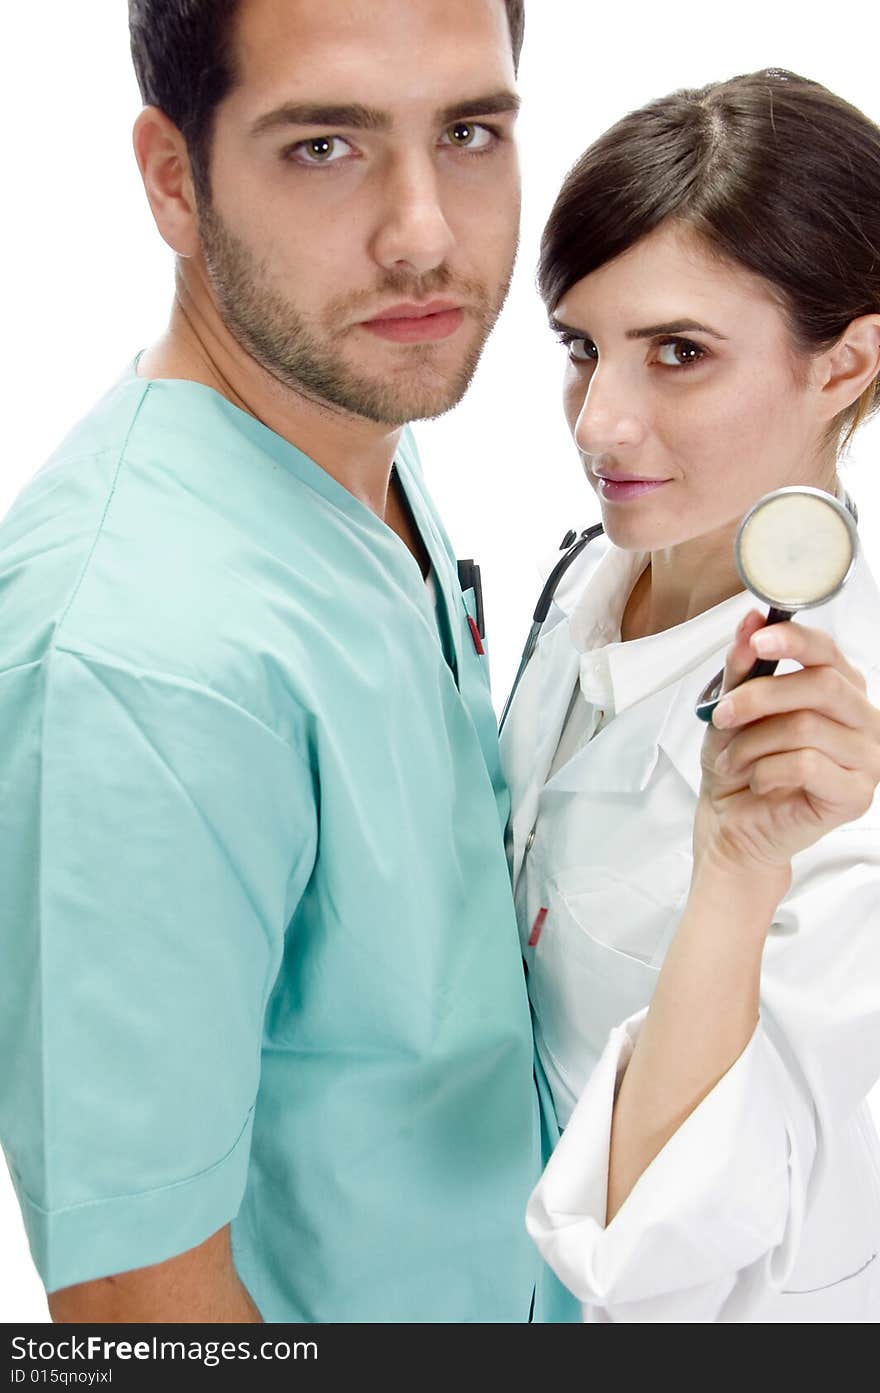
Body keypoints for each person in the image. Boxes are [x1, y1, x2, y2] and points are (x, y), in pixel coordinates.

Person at [0, 0, 556, 1324]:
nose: (423, 234)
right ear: (173, 181)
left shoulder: (346, 427)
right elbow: (145, 1313)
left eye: (470, 132)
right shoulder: (145, 666)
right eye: (326, 146)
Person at [501, 69, 880, 1321]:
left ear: (847, 362)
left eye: (679, 354)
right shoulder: (594, 572)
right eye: (580, 347)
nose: (599, 422)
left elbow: (675, 1258)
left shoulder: (843, 768)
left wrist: (734, 864)